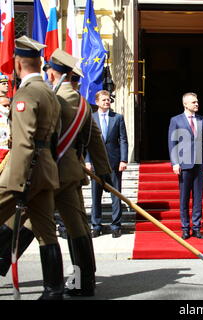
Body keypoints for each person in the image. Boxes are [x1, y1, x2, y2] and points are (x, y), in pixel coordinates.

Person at [0, 49, 112, 297]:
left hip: (45, 169)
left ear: (54, 72)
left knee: (30, 220)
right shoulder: (84, 104)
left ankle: (6, 263)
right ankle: (84, 282)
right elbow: (95, 139)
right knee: (75, 226)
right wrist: (104, 171)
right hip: (69, 172)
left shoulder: (54, 98)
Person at [0, 36, 63, 300]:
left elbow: (24, 143)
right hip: (46, 170)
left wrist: (17, 182)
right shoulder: (50, 92)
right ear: (39, 63)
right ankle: (54, 289)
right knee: (46, 231)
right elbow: (55, 137)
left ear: (17, 63)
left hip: (25, 171)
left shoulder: (26, 94)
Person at [168, 92, 203, 240]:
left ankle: (197, 227)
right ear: (185, 104)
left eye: (197, 101)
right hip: (184, 164)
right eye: (193, 102)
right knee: (184, 198)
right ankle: (185, 228)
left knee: (198, 198)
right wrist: (175, 163)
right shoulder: (176, 120)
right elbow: (172, 142)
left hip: (199, 164)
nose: (197, 104)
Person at [86, 90, 128, 239]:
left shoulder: (117, 118)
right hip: (96, 164)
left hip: (114, 162)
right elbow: (87, 142)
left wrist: (123, 160)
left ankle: (116, 226)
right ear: (97, 102)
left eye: (108, 99)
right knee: (95, 196)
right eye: (103, 100)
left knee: (116, 195)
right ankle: (96, 226)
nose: (107, 102)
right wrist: (87, 161)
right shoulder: (90, 118)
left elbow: (123, 139)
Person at [0, 97, 11, 166]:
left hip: (10, 153)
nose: (7, 108)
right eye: (4, 105)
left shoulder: (13, 118)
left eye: (9, 105)